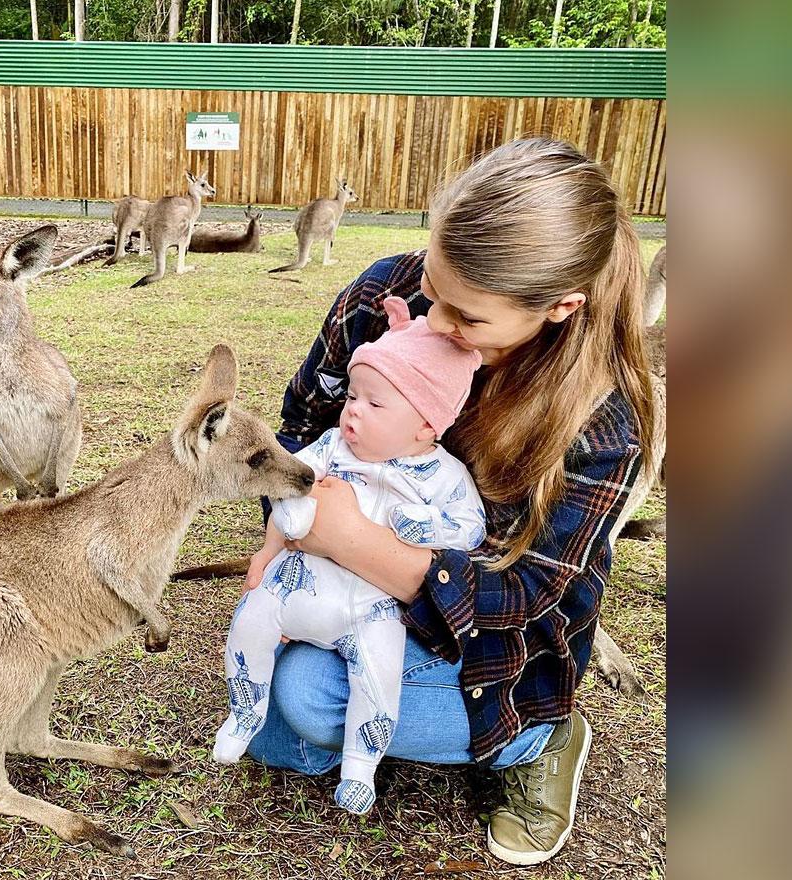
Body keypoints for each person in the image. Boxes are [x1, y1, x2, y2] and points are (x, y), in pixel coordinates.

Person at [242, 137, 654, 866]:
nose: (433, 323)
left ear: (560, 308)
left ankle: (540, 737)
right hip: (351, 578)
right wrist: (287, 543)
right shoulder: (382, 295)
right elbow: (303, 421)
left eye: (467, 318)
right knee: (275, 713)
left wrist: (346, 540)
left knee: (305, 697)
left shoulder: (600, 420)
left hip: (490, 630)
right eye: (434, 289)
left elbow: (526, 594)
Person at [213, 296, 486, 816]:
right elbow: (289, 484)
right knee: (251, 620)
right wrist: (270, 550)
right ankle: (243, 711)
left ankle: (360, 766)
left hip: (374, 607)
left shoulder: (443, 476)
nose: (354, 410)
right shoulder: (331, 446)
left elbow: (470, 529)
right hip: (301, 582)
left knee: (377, 678)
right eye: (353, 396)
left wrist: (426, 525)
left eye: (375, 404)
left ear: (427, 426)